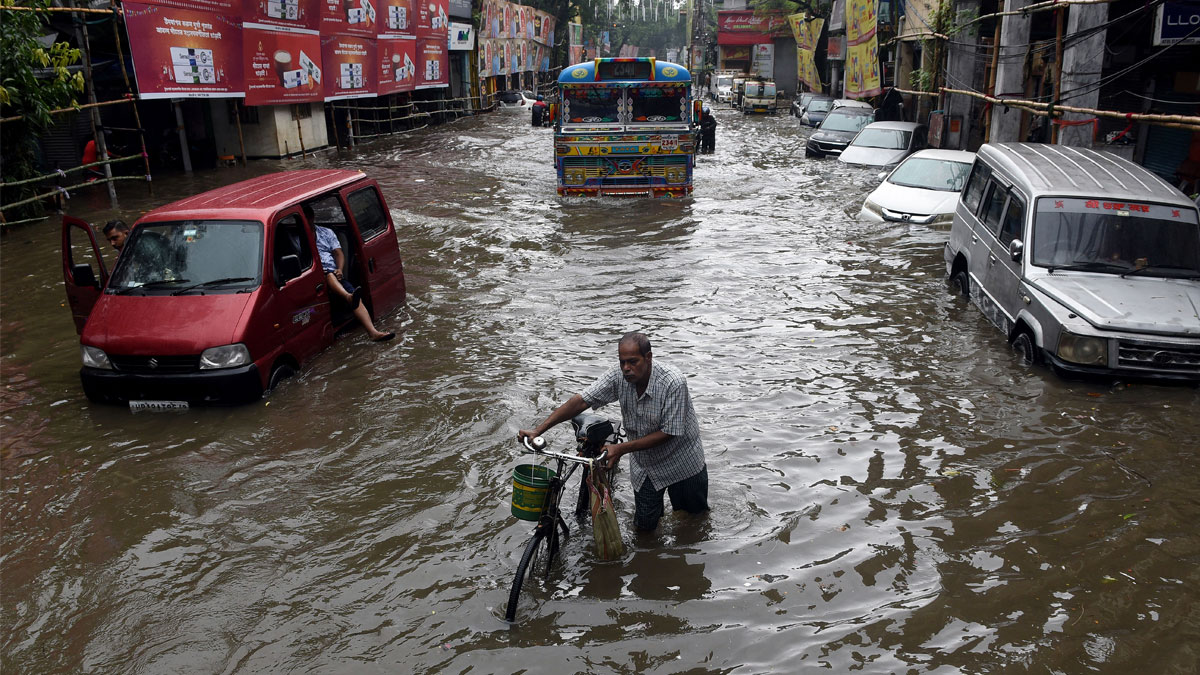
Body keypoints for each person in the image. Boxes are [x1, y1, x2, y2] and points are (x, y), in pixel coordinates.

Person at [518, 332, 708, 532]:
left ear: (649, 357)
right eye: (622, 362)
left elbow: (669, 432)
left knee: (694, 523)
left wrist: (620, 448)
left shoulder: (673, 383)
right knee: (644, 530)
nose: (626, 368)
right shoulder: (619, 377)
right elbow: (582, 400)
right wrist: (538, 429)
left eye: (633, 362)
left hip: (683, 463)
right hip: (646, 467)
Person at [303, 204, 395, 342]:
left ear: (312, 218)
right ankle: (348, 297)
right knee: (329, 276)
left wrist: (340, 269)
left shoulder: (326, 233)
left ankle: (373, 332)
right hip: (311, 275)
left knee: (351, 293)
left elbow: (338, 253)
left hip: (332, 272)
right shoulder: (296, 238)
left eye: (307, 218)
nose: (306, 222)